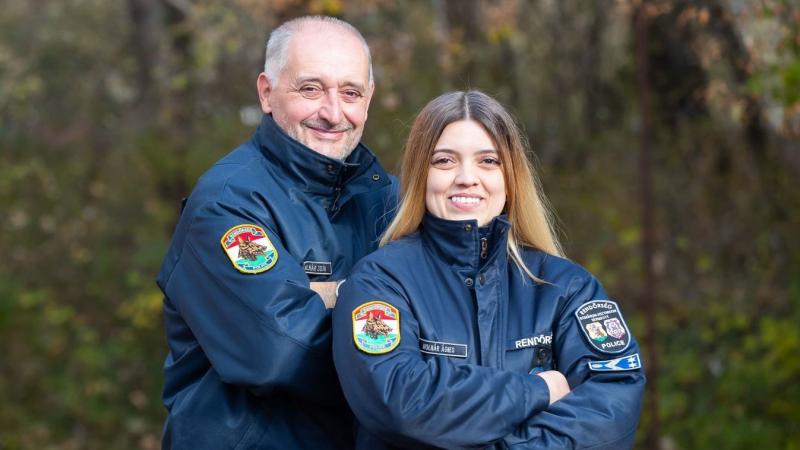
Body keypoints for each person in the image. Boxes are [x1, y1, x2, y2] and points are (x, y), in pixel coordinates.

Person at [332, 90, 645, 449]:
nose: (467, 177)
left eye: (488, 161)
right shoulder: (379, 283)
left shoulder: (568, 289)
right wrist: (540, 389)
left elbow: (611, 406)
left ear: (511, 176)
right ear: (420, 173)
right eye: (445, 161)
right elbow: (400, 402)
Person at [157, 16, 396, 449]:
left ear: (369, 98)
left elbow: (451, 318)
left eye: (350, 92)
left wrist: (327, 294)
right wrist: (380, 311)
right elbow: (279, 350)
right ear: (267, 92)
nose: (332, 112)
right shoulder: (228, 203)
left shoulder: (390, 200)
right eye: (310, 89)